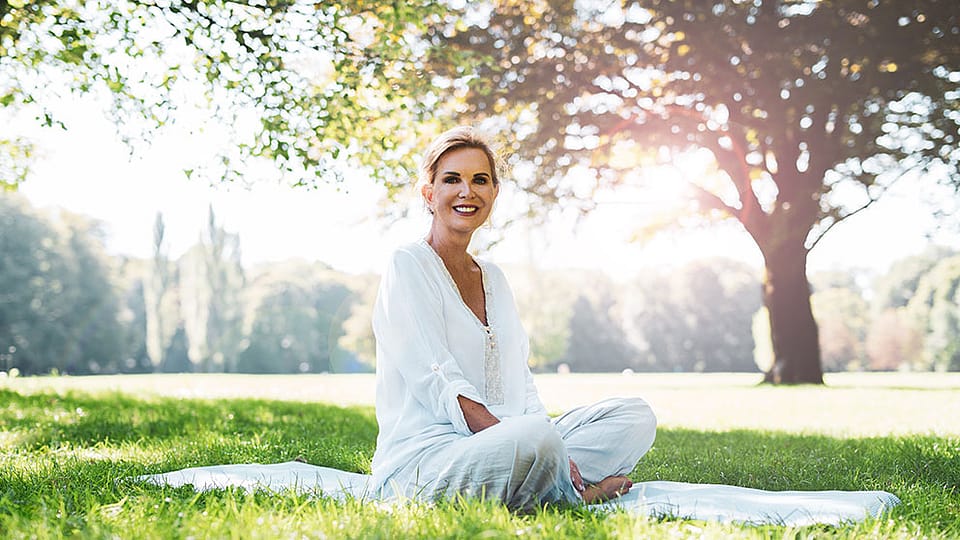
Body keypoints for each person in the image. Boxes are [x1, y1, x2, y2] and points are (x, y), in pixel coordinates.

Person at [370, 126, 656, 510]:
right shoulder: (408, 264)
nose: (467, 191)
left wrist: (544, 438)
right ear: (429, 193)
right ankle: (574, 494)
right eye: (452, 179)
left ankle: (548, 478)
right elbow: (437, 378)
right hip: (429, 459)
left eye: (480, 180)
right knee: (534, 441)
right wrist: (532, 439)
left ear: (494, 192)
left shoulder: (494, 278)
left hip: (513, 441)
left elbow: (521, 381)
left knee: (635, 416)